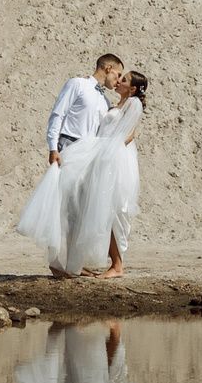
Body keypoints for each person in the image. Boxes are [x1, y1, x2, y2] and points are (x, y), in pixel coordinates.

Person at [18, 54, 123, 276]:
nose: (118, 80)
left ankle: (73, 263)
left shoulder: (104, 100)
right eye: (118, 74)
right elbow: (58, 113)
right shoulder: (77, 84)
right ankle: (55, 263)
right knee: (61, 206)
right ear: (108, 68)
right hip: (68, 148)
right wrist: (52, 147)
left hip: (88, 155)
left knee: (78, 209)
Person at [66, 70, 145, 279]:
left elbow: (129, 135)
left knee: (114, 211)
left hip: (116, 160)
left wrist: (108, 152)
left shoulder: (133, 103)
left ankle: (118, 266)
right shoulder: (116, 104)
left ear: (132, 89)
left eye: (124, 80)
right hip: (104, 157)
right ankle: (107, 263)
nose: (119, 81)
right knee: (102, 210)